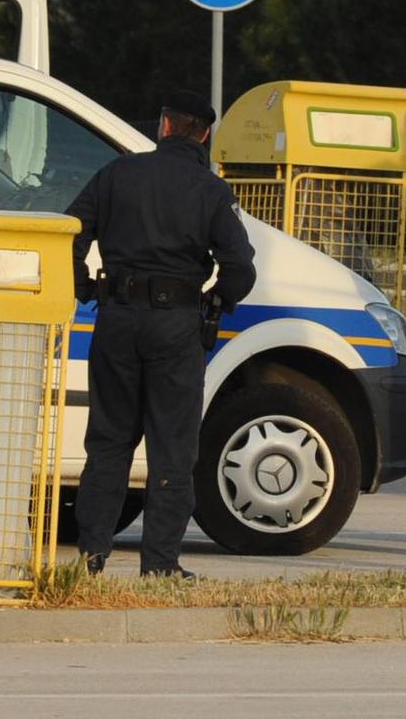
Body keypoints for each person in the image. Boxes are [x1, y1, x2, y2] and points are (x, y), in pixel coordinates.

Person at [65, 90, 257, 578]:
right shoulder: (211, 191)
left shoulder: (116, 174)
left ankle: (91, 557)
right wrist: (217, 301)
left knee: (108, 440)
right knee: (172, 447)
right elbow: (240, 265)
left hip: (116, 318)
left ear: (165, 126)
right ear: (204, 134)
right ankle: (160, 564)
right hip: (176, 327)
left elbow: (69, 230)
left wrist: (82, 285)